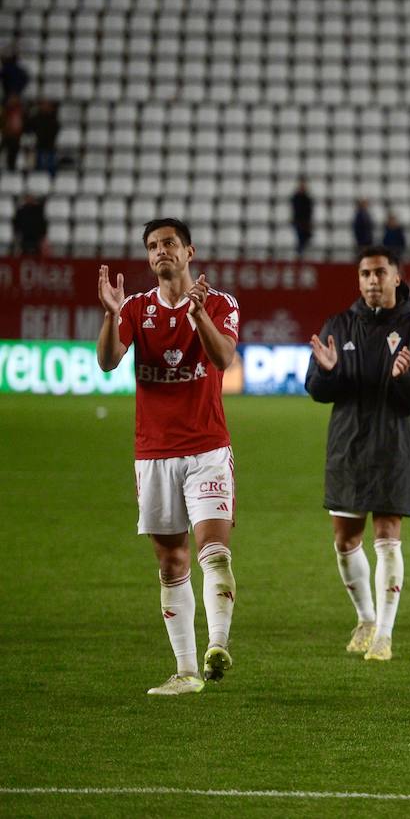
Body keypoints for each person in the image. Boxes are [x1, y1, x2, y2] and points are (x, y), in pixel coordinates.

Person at [96, 219, 242, 695]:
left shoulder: (220, 304)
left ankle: (217, 646)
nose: (161, 251)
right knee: (171, 562)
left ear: (189, 251)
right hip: (154, 453)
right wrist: (110, 316)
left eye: (169, 244)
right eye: (153, 246)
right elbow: (107, 361)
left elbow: (223, 360)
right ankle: (185, 671)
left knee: (213, 553)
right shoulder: (136, 307)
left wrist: (197, 315)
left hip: (207, 449)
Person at [305, 247, 410, 662]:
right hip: (346, 446)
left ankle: (384, 633)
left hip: (394, 445)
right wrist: (328, 372)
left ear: (397, 277)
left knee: (386, 536)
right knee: (345, 540)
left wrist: (406, 378)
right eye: (365, 273)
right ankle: (365, 618)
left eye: (380, 272)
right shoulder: (339, 325)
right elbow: (315, 388)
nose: (371, 280)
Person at [28, 99, 59, 176]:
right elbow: (29, 128)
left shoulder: (53, 119)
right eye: (43, 105)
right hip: (39, 147)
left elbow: (54, 132)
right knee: (39, 171)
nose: (45, 107)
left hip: (50, 147)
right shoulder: (36, 118)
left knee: (50, 169)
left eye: (47, 105)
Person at [290, 179, 314, 256]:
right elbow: (295, 208)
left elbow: (309, 210)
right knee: (300, 236)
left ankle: (300, 251)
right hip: (298, 220)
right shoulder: (296, 198)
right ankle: (299, 252)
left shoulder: (307, 198)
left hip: (305, 221)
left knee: (305, 236)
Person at [2, 95, 24, 171]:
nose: (13, 101)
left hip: (17, 137)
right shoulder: (6, 110)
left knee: (13, 153)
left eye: (15, 99)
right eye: (11, 99)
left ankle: (11, 168)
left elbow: (23, 124)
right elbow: (3, 123)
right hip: (7, 135)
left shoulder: (21, 110)